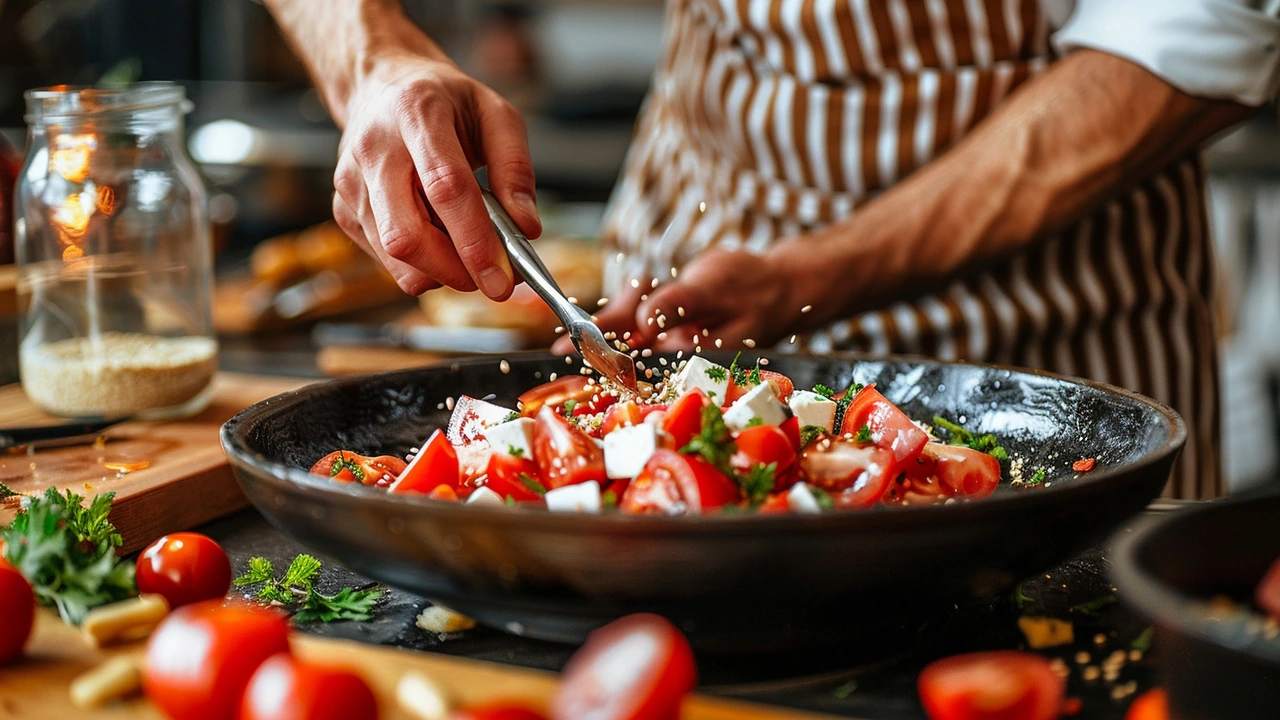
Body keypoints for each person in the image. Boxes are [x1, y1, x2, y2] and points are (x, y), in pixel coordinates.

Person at [264, 0, 1280, 499]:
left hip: (1055, 346)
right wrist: (373, 57)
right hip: (677, 265)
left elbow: (1195, 33)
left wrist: (817, 271)